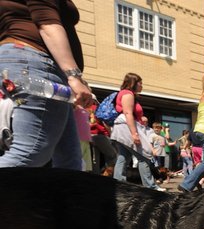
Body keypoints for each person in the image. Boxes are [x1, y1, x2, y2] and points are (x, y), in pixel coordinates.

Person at [0, 0, 93, 169]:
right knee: (30, 153)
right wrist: (73, 75)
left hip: (30, 62)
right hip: (36, 62)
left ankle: (64, 196)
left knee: (69, 160)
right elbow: (47, 23)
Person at [110, 73, 164, 191]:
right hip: (127, 128)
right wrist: (134, 134)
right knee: (144, 155)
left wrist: (140, 119)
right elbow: (128, 113)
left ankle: (119, 185)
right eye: (140, 83)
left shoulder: (125, 93)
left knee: (123, 157)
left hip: (122, 128)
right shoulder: (128, 94)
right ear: (133, 83)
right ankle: (150, 186)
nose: (142, 85)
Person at [89, 111, 116, 176]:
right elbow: (105, 123)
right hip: (101, 135)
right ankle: (107, 175)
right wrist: (111, 134)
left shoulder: (86, 108)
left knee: (95, 160)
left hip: (91, 135)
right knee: (113, 156)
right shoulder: (98, 109)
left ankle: (95, 177)